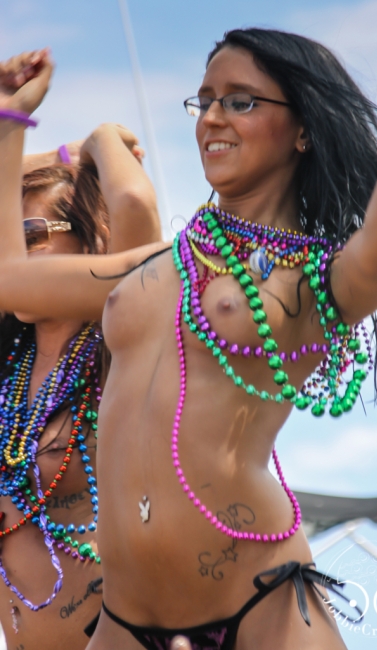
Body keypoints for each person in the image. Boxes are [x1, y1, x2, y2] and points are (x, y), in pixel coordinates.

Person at [0, 31, 377, 650]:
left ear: (303, 129)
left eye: (240, 101)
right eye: (204, 101)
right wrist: (10, 118)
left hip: (260, 599)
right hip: (125, 619)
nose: (213, 118)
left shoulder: (309, 280)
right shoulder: (151, 266)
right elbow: (11, 280)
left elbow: (371, 265)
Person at [0, 107, 161, 649]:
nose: (12, 255)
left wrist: (99, 142)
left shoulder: (119, 348)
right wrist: (57, 154)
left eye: (30, 234)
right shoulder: (9, 371)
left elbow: (134, 205)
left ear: (95, 238)